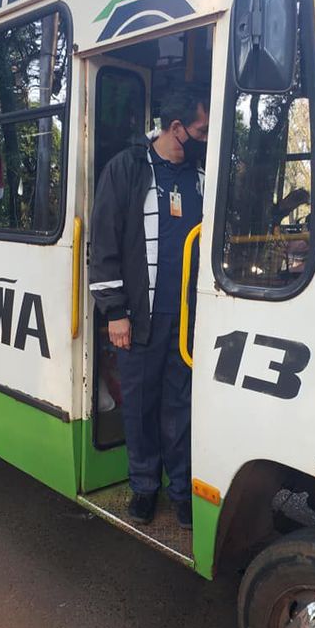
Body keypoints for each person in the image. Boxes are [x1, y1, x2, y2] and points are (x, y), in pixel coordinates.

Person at [90, 85, 209, 529]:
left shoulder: (199, 177)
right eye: (199, 130)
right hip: (138, 320)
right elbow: (103, 243)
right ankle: (144, 487)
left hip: (187, 322)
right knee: (140, 407)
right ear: (176, 129)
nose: (204, 136)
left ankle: (181, 490)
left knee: (179, 407)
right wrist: (115, 311)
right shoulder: (127, 170)